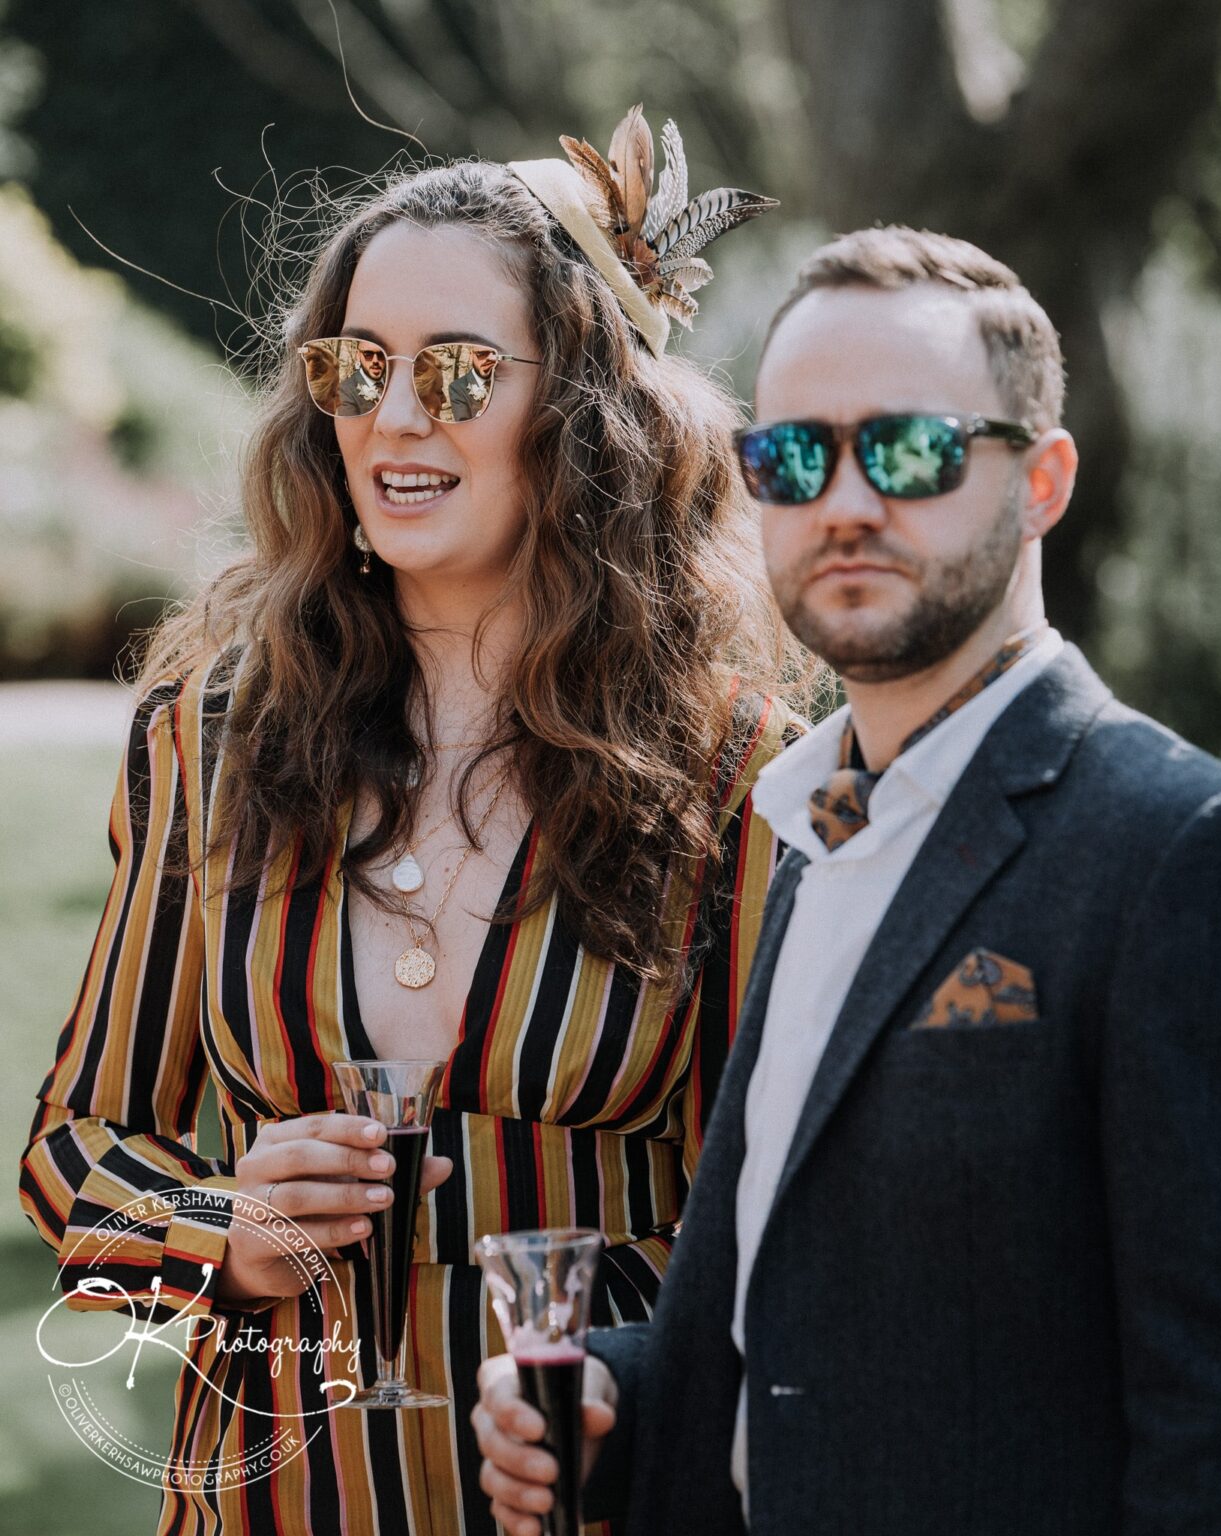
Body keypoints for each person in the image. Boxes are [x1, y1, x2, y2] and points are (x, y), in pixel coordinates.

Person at [17, 108, 809, 1535]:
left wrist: (636, 1384)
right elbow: (76, 1150)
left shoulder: (739, 774)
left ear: (580, 407)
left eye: (455, 371)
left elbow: (789, 1232)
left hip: (588, 1491)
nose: (392, 416)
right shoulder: (208, 741)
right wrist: (220, 1238)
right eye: (352, 366)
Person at [473, 226, 1221, 1536]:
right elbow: (817, 1322)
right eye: (790, 456)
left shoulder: (1174, 847)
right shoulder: (809, 832)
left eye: (910, 450)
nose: (845, 502)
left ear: (1039, 479)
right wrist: (617, 1397)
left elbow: (1207, 1416)